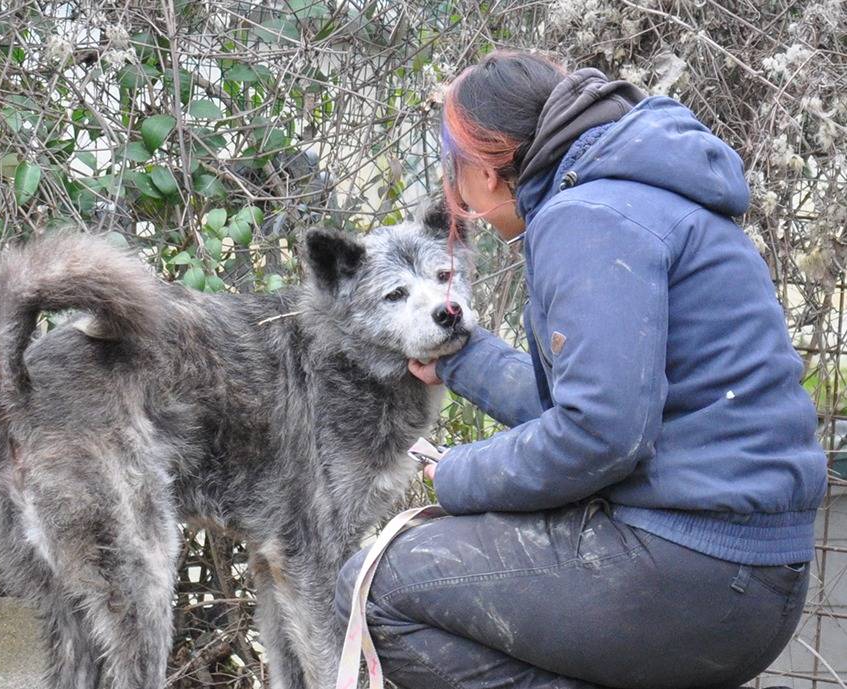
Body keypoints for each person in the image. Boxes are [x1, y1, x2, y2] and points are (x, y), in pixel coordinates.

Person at [334, 51, 828, 689]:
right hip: (748, 569)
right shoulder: (643, 192)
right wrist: (463, 361)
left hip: (691, 567)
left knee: (373, 586)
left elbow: (601, 434)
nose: (456, 196)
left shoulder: (586, 219)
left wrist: (457, 472)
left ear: (484, 168)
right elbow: (599, 403)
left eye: (454, 172)